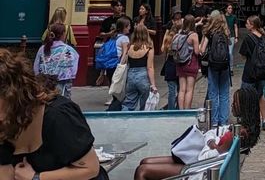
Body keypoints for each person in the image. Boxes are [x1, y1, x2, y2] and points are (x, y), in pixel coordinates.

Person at [0, 49, 107, 180]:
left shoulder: (58, 115)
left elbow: (90, 168)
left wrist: (36, 178)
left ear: (12, 94)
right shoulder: (3, 125)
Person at [133, 87, 261, 180]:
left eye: (235, 102)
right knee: (145, 161)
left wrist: (211, 141)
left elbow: (207, 156)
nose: (232, 104)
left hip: (199, 169)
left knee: (142, 171)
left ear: (244, 106)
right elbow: (211, 134)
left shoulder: (235, 135)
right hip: (198, 162)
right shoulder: (242, 130)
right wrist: (212, 141)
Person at [239, 15, 265, 130]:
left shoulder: (248, 38)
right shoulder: (264, 37)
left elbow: (243, 55)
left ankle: (249, 121)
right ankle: (264, 120)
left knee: (247, 95)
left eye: (247, 23)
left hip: (250, 72)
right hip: (262, 71)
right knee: (261, 95)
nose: (246, 24)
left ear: (252, 25)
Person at [33, 23, 80, 98]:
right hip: (62, 83)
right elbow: (73, 69)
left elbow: (36, 67)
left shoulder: (42, 49)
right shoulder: (69, 50)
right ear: (63, 34)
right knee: (61, 105)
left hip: (44, 83)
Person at [200, 14, 231, 127]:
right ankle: (223, 122)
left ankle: (214, 122)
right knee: (224, 94)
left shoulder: (210, 33)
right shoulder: (226, 34)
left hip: (213, 65)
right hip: (224, 66)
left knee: (213, 93)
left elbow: (202, 50)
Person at [122, 24, 157, 111]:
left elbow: (123, 62)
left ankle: (124, 119)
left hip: (130, 76)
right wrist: (153, 85)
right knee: (145, 104)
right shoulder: (149, 48)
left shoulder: (129, 46)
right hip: (143, 76)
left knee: (129, 102)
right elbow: (150, 67)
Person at [175, 14, 200, 109]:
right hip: (191, 63)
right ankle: (187, 110)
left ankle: (181, 110)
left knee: (182, 89)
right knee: (189, 90)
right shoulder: (194, 35)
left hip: (180, 63)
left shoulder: (179, 33)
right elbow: (197, 52)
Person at [160, 23, 179, 110]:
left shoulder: (168, 39)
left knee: (171, 91)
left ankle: (171, 109)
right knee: (180, 90)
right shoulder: (179, 39)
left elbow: (164, 54)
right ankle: (179, 107)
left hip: (169, 65)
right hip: (178, 66)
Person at [224, 3, 239, 74]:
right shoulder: (223, 17)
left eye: (231, 8)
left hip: (232, 36)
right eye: (229, 8)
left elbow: (235, 27)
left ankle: (231, 69)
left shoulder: (234, 17)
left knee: (230, 52)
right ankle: (225, 67)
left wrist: (236, 37)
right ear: (226, 9)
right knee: (224, 52)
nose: (230, 10)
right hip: (224, 36)